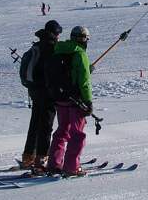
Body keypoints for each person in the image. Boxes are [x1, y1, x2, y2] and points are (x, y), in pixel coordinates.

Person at [46, 26, 94, 177]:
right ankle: (72, 167)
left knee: (62, 130)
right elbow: (84, 81)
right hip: (76, 100)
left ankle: (54, 163)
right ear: (83, 39)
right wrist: (88, 101)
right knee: (77, 134)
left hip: (60, 99)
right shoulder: (80, 54)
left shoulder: (59, 49)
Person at [21, 20, 62, 170]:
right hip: (47, 92)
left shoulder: (37, 46)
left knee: (35, 123)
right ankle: (41, 158)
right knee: (46, 125)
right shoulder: (51, 48)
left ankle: (28, 157)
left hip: (34, 90)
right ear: (55, 33)